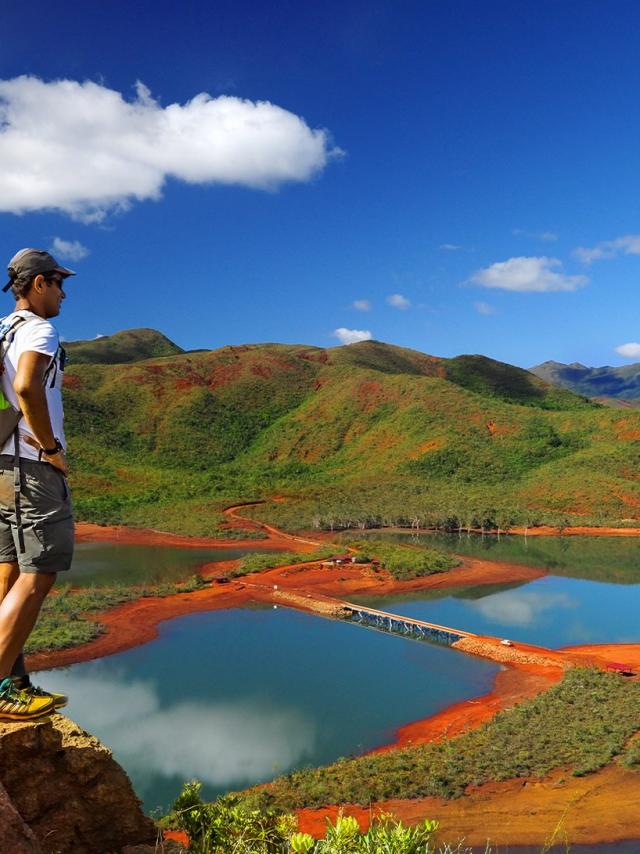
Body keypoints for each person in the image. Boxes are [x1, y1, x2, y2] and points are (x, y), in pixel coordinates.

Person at [0, 248, 75, 720]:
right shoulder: (37, 329)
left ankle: (15, 681)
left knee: (7, 573)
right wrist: (50, 449)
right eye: (58, 282)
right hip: (31, 466)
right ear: (38, 284)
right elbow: (27, 386)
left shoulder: (1, 328)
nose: (64, 293)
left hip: (1, 467)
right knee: (39, 573)